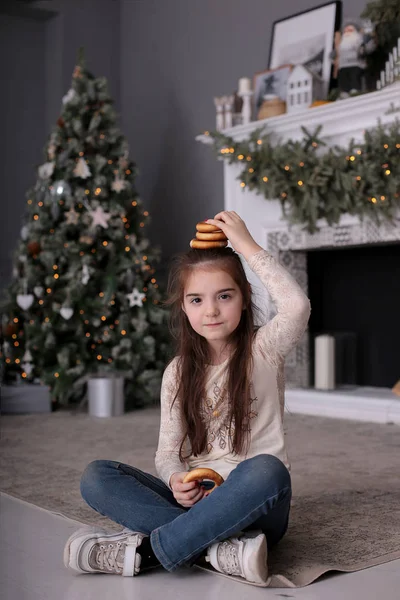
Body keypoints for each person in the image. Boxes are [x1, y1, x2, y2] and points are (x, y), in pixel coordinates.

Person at [63, 211, 311, 585]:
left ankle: (150, 553)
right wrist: (176, 477)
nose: (210, 310)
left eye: (224, 296)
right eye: (196, 299)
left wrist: (246, 246)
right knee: (96, 477)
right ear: (183, 306)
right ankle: (220, 552)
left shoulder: (265, 348)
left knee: (266, 470)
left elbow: (297, 306)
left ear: (244, 299)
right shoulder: (177, 373)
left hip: (256, 507)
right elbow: (167, 452)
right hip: (197, 501)